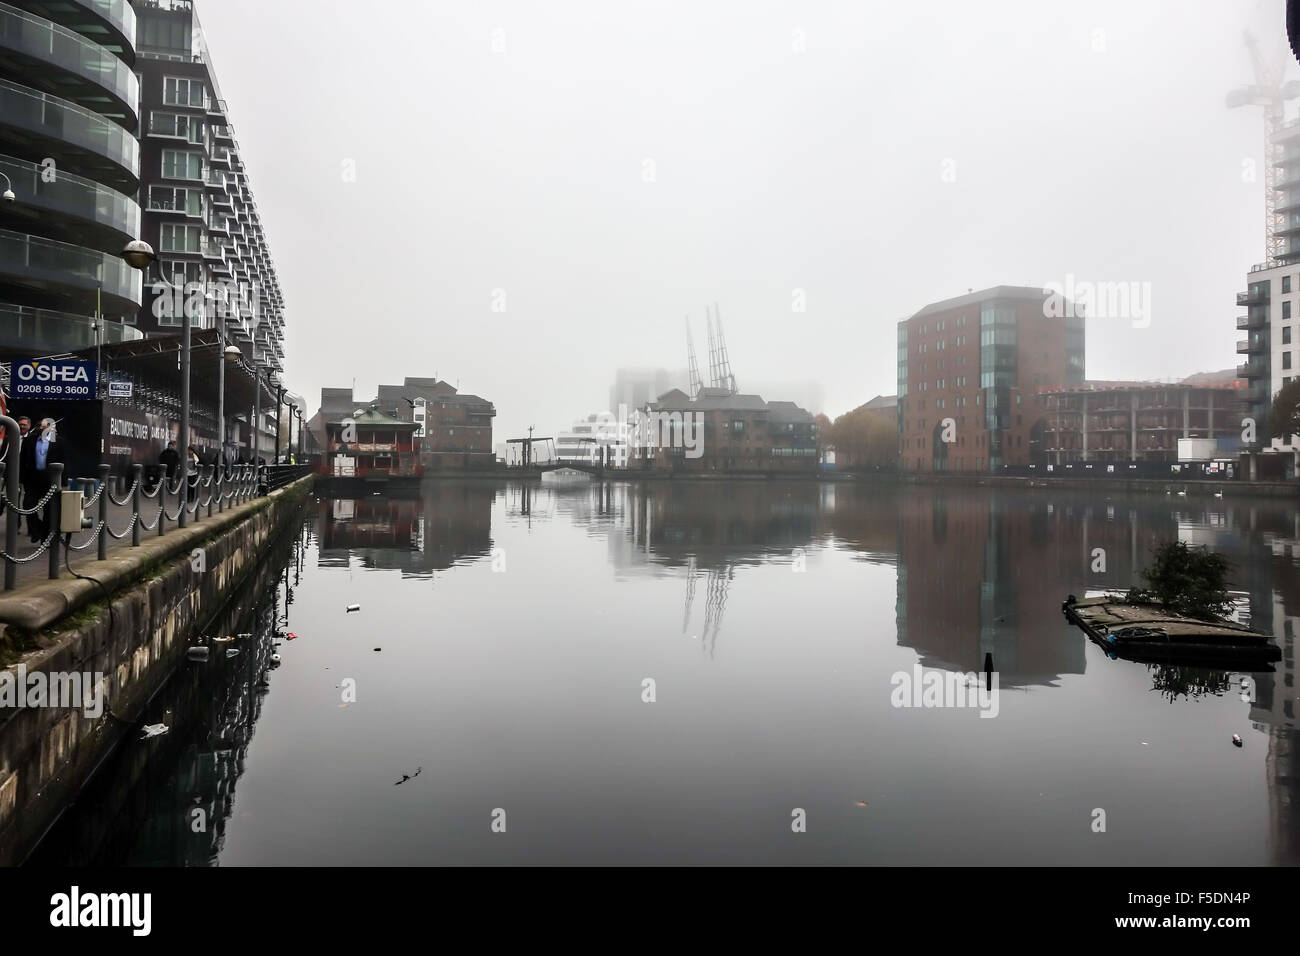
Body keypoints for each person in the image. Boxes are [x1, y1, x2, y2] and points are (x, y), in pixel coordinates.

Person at [19, 418, 64, 543]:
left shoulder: (58, 442)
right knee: (28, 505)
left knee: (49, 510)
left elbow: (64, 461)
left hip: (51, 480)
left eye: (43, 426)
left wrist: (63, 482)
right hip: (32, 480)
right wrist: (20, 479)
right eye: (38, 425)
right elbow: (22, 461)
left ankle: (45, 536)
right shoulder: (29, 441)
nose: (40, 428)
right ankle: (36, 529)